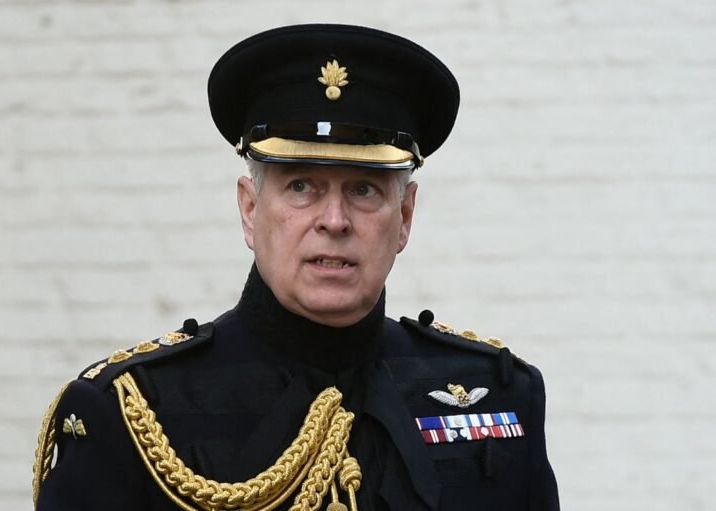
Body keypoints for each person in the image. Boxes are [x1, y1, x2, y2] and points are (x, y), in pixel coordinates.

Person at [32, 24, 559, 511]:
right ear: (250, 209)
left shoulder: (497, 395)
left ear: (404, 217)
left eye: (363, 189)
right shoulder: (135, 413)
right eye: (301, 186)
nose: (334, 220)